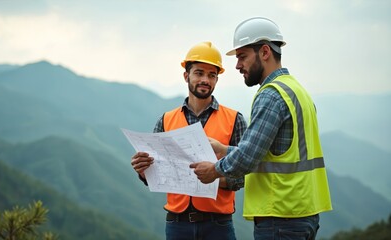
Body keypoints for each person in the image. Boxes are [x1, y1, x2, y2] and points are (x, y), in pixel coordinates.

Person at [190, 17, 333, 240]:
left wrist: (214, 170)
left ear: (265, 52)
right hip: (304, 213)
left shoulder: (271, 95)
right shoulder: (297, 90)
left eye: (242, 57)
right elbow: (269, 150)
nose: (237, 66)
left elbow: (248, 157)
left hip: (280, 214)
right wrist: (225, 149)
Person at [130, 41, 247, 240]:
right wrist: (143, 171)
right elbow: (156, 174)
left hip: (218, 224)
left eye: (212, 75)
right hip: (177, 224)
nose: (205, 80)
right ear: (186, 76)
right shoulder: (166, 120)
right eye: (199, 73)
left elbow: (244, 176)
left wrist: (213, 177)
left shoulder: (235, 119)